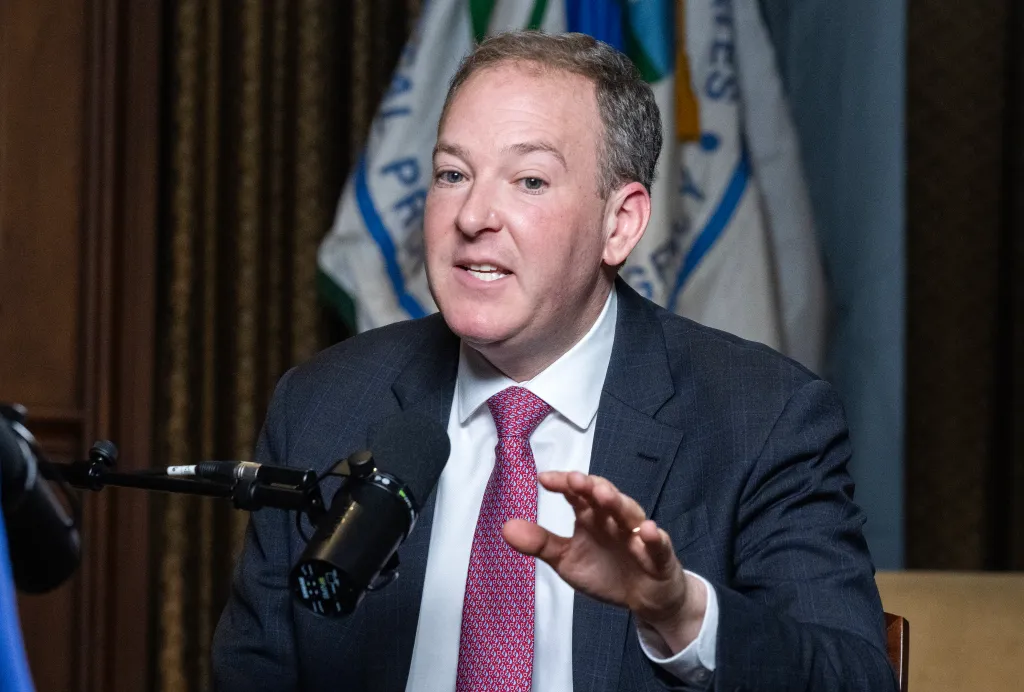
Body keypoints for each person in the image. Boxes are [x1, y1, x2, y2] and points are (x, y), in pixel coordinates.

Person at [212, 31, 896, 691]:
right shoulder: (324, 404)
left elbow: (856, 679)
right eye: (452, 173)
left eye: (530, 181)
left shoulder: (761, 418)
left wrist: (679, 611)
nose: (473, 214)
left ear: (620, 224)